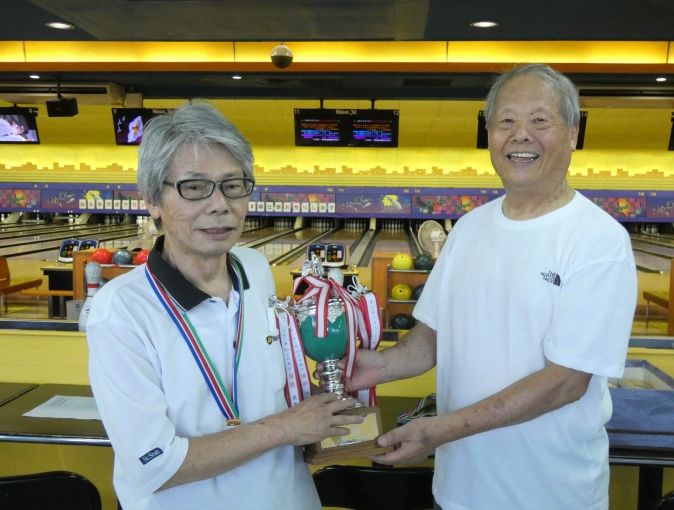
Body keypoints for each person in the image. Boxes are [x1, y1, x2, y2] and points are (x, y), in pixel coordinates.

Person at [329, 64, 637, 510]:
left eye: (540, 120)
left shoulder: (599, 240)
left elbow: (565, 383)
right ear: (490, 134)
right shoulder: (469, 229)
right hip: (457, 492)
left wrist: (438, 431)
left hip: (549, 496)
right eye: (506, 120)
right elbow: (431, 339)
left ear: (572, 133)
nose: (521, 134)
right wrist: (378, 367)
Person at [86, 100, 363, 510]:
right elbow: (154, 466)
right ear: (152, 200)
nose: (219, 204)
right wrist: (286, 426)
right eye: (194, 187)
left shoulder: (255, 268)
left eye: (233, 185)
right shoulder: (121, 310)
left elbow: (267, 392)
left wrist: (317, 403)